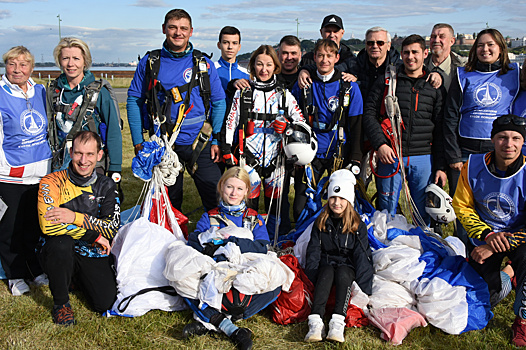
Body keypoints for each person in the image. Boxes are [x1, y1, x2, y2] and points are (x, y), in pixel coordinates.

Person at [127, 8, 227, 212]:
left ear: (191, 31)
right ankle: (171, 242)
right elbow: (134, 100)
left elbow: (219, 102)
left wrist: (216, 139)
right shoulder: (149, 63)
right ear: (164, 29)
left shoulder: (203, 64)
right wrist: (138, 140)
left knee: (218, 197)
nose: (178, 33)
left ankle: (219, 240)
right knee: (168, 206)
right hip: (164, 144)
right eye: (172, 27)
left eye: (183, 28)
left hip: (200, 142)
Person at [183, 166, 281, 350]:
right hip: (216, 269)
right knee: (183, 276)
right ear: (221, 187)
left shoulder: (254, 218)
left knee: (277, 281)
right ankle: (233, 329)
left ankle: (213, 321)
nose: (233, 192)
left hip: (245, 270)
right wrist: (219, 246)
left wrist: (233, 241)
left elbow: (261, 247)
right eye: (229, 187)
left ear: (247, 192)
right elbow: (196, 243)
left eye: (239, 188)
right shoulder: (209, 216)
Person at [452, 114, 526, 347]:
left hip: (519, 238)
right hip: (485, 236)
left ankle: (523, 320)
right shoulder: (473, 165)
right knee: (482, 299)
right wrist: (488, 237)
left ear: (523, 142)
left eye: (516, 138)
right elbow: (462, 206)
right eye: (502, 137)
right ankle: (508, 275)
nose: (509, 144)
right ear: (492, 139)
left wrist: (498, 243)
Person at [444, 28, 520, 244]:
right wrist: (454, 156)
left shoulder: (513, 74)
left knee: (496, 206)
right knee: (464, 207)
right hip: (466, 154)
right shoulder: (463, 74)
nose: (484, 49)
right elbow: (450, 116)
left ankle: (500, 249)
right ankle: (464, 252)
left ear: (501, 49)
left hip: (499, 154)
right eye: (480, 45)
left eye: (490, 45)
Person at [37, 131, 119, 326]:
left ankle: (75, 278)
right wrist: (93, 235)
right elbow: (48, 226)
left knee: (104, 303)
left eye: (90, 154)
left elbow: (112, 228)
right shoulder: (51, 182)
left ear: (99, 155)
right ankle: (61, 304)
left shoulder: (107, 185)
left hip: (89, 251)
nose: (83, 160)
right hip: (58, 247)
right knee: (61, 244)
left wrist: (74, 217)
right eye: (78, 153)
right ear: (71, 152)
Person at [363, 34, 447, 224]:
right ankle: (385, 246)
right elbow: (368, 114)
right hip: (390, 154)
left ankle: (423, 247)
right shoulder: (387, 81)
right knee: (386, 208)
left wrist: (441, 166)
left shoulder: (434, 86)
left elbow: (441, 128)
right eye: (406, 53)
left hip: (423, 156)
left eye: (415, 52)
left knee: (423, 210)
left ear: (425, 53)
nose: (410, 57)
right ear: (401, 54)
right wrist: (381, 145)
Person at [222, 45, 303, 237]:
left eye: (268, 65)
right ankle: (249, 240)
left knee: (277, 209)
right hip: (249, 160)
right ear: (252, 66)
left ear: (275, 66)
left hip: (277, 162)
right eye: (259, 64)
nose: (263, 69)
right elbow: (230, 122)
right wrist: (226, 149)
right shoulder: (243, 93)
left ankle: (277, 243)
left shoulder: (284, 95)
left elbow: (302, 124)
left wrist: (289, 128)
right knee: (248, 208)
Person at [291, 39, 363, 221]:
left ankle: (336, 238)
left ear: (337, 58)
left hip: (338, 151)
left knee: (339, 202)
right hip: (309, 152)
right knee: (301, 203)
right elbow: (290, 115)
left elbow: (356, 126)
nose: (325, 60)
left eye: (329, 56)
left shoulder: (349, 87)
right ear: (314, 57)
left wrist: (355, 157)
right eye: (321, 55)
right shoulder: (304, 84)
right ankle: (302, 238)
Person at [0, 46, 51, 296]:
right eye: (12, 64)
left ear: (32, 67)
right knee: (10, 228)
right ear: (5, 65)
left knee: (34, 225)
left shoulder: (40, 90)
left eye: (23, 64)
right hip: (10, 173)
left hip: (41, 172)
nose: (17, 69)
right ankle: (15, 274)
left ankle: (34, 269)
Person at [304, 169, 373, 343]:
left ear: (348, 201)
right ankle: (315, 321)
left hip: (346, 266)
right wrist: (312, 277)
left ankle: (337, 321)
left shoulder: (357, 226)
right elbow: (313, 250)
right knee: (326, 273)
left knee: (343, 274)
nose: (336, 203)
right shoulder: (320, 222)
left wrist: (365, 289)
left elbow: (362, 255)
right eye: (333, 198)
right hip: (326, 264)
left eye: (342, 198)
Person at [46, 37, 122, 181]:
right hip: (59, 163)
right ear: (59, 61)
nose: (70, 64)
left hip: (91, 164)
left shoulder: (99, 93)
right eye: (65, 58)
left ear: (85, 61)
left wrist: (115, 167)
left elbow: (114, 130)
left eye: (76, 58)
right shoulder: (52, 91)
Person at [347, 27, 402, 100]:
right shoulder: (352, 65)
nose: (375, 46)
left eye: (380, 43)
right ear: (366, 45)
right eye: (370, 43)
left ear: (388, 45)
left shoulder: (400, 68)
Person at [425, 23, 467, 91]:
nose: (436, 40)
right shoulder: (420, 65)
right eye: (433, 36)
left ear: (452, 41)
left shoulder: (463, 67)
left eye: (441, 37)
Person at [215, 26, 249, 98]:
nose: (230, 47)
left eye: (234, 43)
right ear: (219, 45)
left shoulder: (247, 74)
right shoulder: (211, 70)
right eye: (225, 42)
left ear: (239, 47)